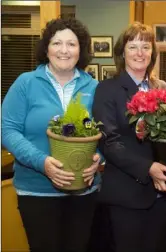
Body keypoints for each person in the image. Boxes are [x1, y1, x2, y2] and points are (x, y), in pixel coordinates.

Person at [92, 22, 166, 252]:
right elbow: (108, 141)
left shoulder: (162, 88)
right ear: (122, 52)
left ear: (152, 52)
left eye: (146, 47)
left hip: (161, 195)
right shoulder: (107, 89)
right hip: (126, 195)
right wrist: (148, 168)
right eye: (133, 46)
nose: (140, 53)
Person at [1, 18, 100, 252]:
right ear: (46, 48)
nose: (64, 50)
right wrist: (42, 162)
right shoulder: (25, 83)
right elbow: (6, 129)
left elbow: (106, 133)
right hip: (36, 192)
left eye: (71, 44)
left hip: (84, 193)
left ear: (81, 50)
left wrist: (100, 160)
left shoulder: (95, 87)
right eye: (57, 43)